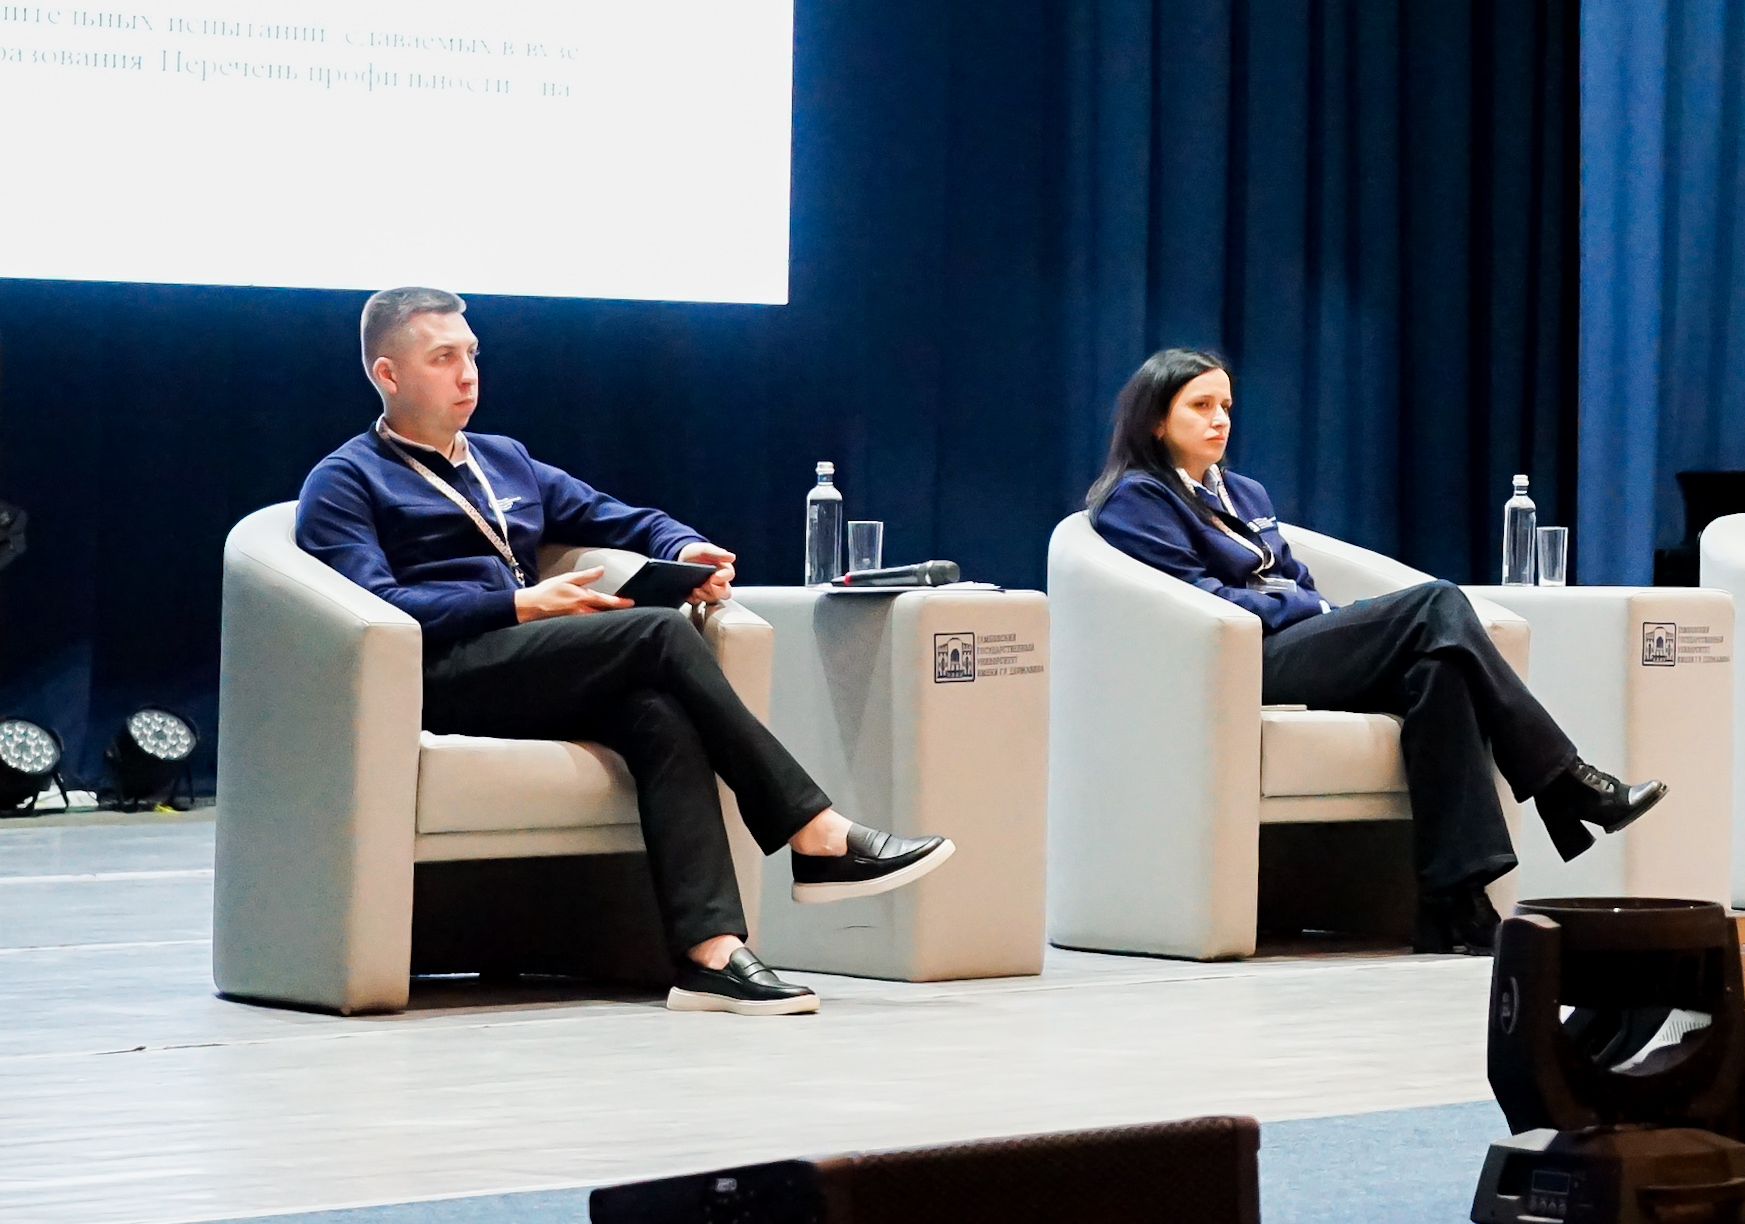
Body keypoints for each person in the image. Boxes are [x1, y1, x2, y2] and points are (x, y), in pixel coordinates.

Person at [297, 286, 954, 1015]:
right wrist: (517, 604)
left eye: (473, 354)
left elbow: (624, 519)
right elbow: (378, 604)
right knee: (658, 630)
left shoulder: (504, 460)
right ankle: (816, 833)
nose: (468, 375)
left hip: (527, 664)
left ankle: (712, 954)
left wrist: (685, 548)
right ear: (387, 374)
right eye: (443, 358)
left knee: (656, 714)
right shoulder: (345, 480)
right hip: (437, 675)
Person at [1085, 348, 1665, 954]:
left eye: (1226, 406)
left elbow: (1296, 578)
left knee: (1441, 673)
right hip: (1241, 658)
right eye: (1200, 406)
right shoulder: (1137, 498)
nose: (1219, 420)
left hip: (1292, 639)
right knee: (1438, 601)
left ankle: (1456, 906)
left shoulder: (1246, 493)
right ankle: (1567, 781)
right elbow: (1203, 597)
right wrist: (1305, 609)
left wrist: (1302, 603)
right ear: (1157, 420)